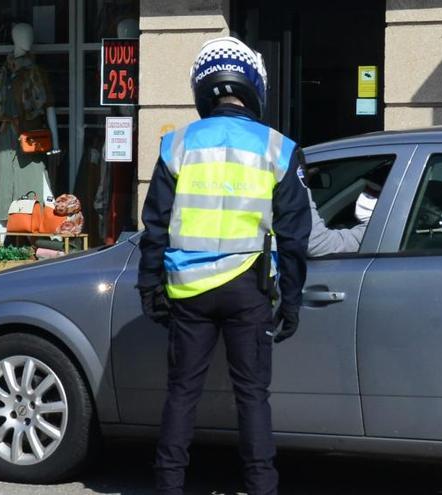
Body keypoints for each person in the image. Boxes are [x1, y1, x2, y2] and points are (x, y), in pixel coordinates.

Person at [136, 36, 311, 495]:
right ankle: (261, 487)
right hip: (248, 290)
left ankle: (168, 486)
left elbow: (154, 226)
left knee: (182, 394)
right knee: (252, 396)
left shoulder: (176, 145)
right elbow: (295, 237)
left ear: (203, 87)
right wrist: (291, 301)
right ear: (253, 87)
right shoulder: (279, 147)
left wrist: (149, 289)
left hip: (188, 291)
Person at [306, 185, 378, 257]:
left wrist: (300, 186)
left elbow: (318, 243)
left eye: (373, 195)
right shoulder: (375, 231)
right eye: (366, 192)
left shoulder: (378, 232)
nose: (364, 197)